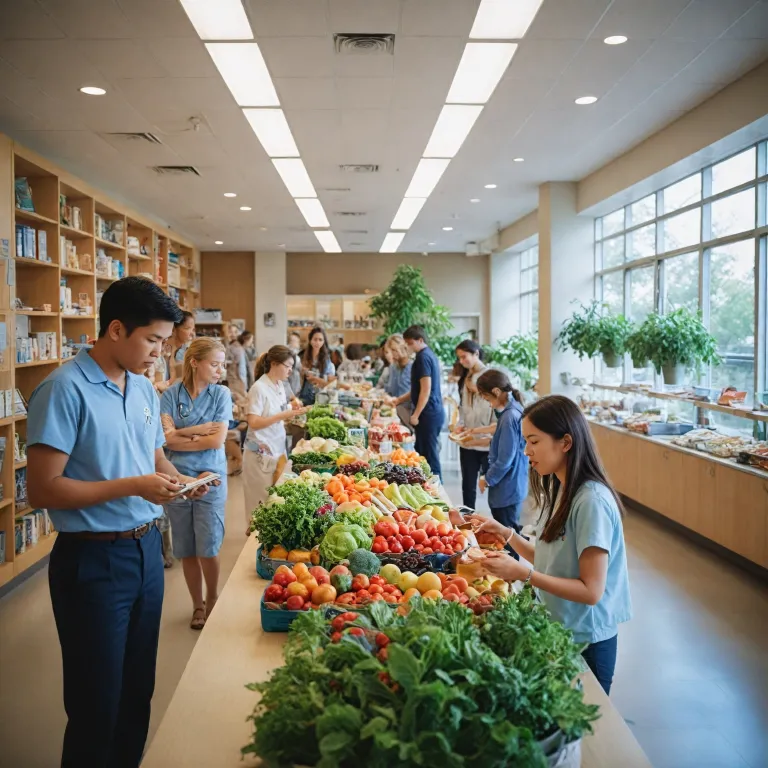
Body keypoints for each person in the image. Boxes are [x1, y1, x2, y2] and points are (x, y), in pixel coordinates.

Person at [26, 276, 210, 768]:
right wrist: (135, 486)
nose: (160, 353)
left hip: (147, 551)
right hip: (92, 559)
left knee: (135, 697)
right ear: (114, 330)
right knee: (95, 706)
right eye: (152, 340)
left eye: (165, 343)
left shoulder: (145, 391)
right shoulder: (64, 388)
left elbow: (151, 460)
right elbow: (42, 488)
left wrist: (182, 480)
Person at [469, 394, 632, 695]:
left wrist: (522, 574)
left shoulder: (591, 502)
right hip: (560, 628)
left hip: (587, 641)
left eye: (534, 441)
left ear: (565, 442)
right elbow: (550, 556)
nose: (526, 451)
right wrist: (507, 535)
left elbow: (591, 590)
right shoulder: (560, 487)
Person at [160, 338, 232, 631]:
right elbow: (164, 439)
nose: (220, 370)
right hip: (175, 478)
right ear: (194, 363)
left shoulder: (221, 395)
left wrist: (181, 434)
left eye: (222, 364)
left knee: (208, 547)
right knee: (186, 548)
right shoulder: (170, 395)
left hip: (210, 478)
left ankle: (213, 599)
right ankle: (197, 605)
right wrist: (197, 431)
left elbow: (217, 440)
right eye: (214, 364)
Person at [243, 346, 309, 528]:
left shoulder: (279, 386)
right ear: (274, 364)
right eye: (288, 366)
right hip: (259, 455)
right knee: (259, 508)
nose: (290, 371)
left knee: (274, 502)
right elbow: (254, 422)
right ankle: (253, 551)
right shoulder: (259, 388)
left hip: (277, 450)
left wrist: (292, 411)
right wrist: (284, 415)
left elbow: (278, 412)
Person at [473, 369, 528, 531]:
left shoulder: (509, 417)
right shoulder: (512, 410)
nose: (485, 400)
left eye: (486, 396)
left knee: (508, 537)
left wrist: (487, 478)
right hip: (513, 485)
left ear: (496, 391)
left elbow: (505, 458)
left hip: (507, 488)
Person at [453, 340, 496, 509]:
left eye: (464, 357)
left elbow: (495, 406)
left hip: (486, 440)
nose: (462, 361)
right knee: (468, 485)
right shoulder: (465, 377)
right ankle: (468, 520)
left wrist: (491, 431)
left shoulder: (491, 376)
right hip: (467, 440)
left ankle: (496, 527)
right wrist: (460, 425)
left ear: (476, 353)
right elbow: (463, 407)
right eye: (459, 358)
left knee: (492, 486)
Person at [403, 325, 443, 479]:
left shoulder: (423, 358)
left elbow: (426, 389)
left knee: (430, 456)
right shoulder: (428, 355)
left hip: (428, 413)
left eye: (410, 343)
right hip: (431, 412)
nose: (408, 347)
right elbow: (418, 388)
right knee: (424, 452)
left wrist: (416, 414)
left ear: (420, 340)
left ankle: (437, 491)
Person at [154, 310, 195, 394]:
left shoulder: (182, 352)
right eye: (187, 328)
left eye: (193, 329)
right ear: (174, 329)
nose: (192, 333)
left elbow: (178, 380)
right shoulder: (158, 353)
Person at [298, 326, 336, 405]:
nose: (317, 342)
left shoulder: (326, 360)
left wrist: (315, 379)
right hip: (304, 396)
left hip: (321, 397)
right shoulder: (302, 356)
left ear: (323, 342)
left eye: (320, 340)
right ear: (310, 340)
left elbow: (329, 383)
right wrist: (302, 372)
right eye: (315, 339)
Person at [381, 334, 413, 425]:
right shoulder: (393, 367)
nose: (391, 354)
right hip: (396, 413)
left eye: (394, 350)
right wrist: (386, 396)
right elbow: (390, 390)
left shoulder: (414, 367)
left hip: (411, 414)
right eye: (390, 351)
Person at [226, 330, 251, 398]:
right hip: (237, 381)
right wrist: (243, 384)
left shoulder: (235, 347)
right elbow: (241, 370)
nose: (251, 342)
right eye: (251, 340)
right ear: (246, 340)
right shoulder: (238, 349)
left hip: (234, 380)